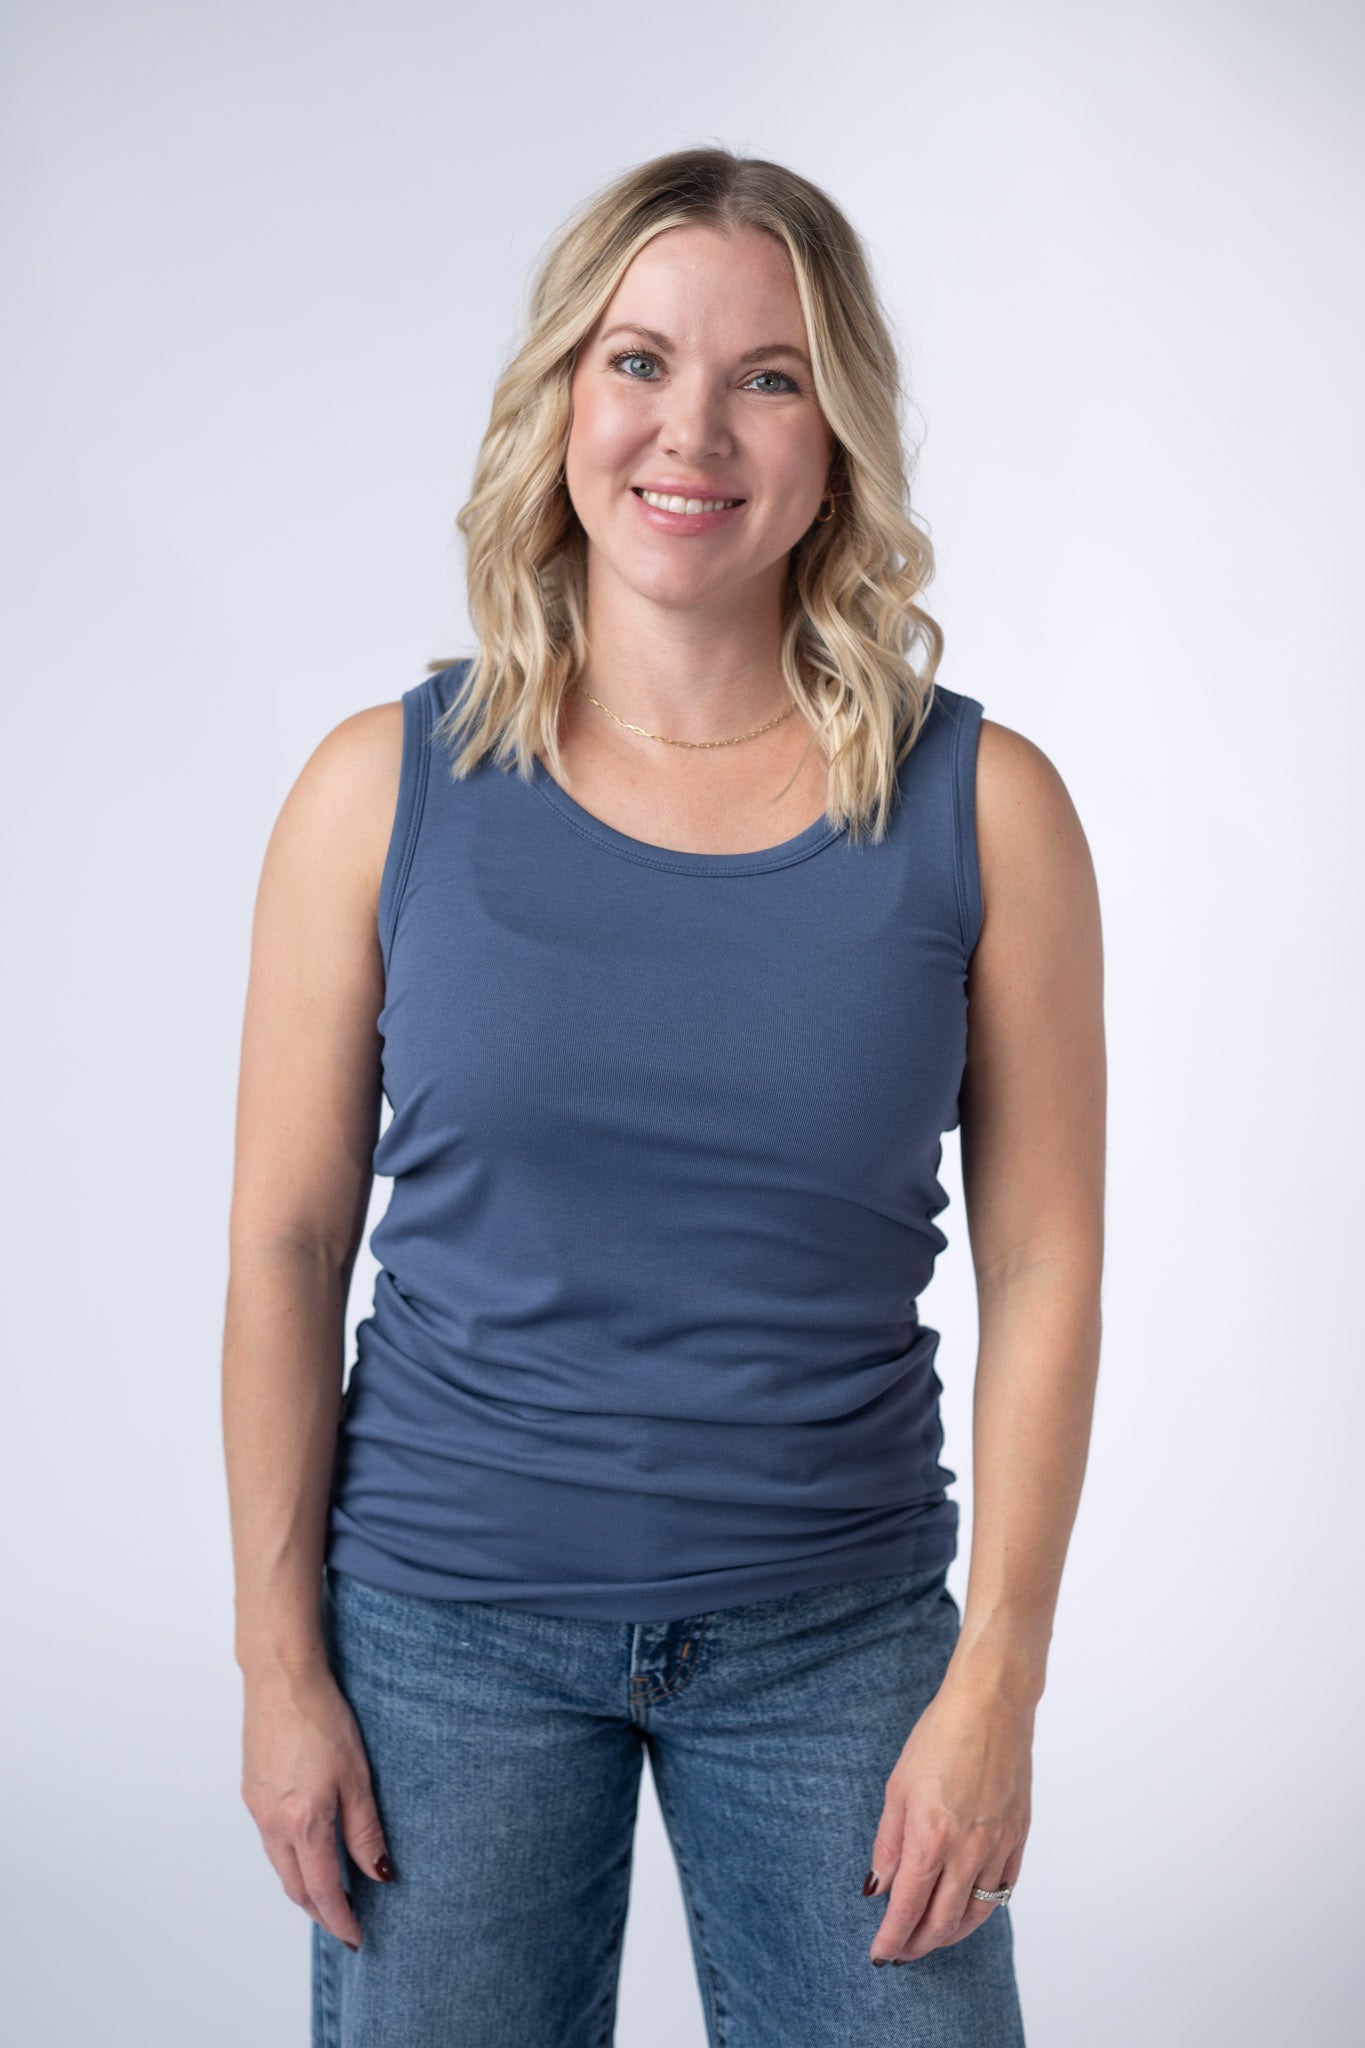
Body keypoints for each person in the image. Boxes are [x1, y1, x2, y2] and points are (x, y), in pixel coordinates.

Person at [222, 146, 1105, 2047]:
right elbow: (288, 1247)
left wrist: (999, 1685)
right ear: (562, 398)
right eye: (638, 361)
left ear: (836, 436)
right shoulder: (378, 792)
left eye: (765, 376)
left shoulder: (986, 811)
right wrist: (277, 1665)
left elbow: (1044, 1267)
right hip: (442, 1635)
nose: (689, 429)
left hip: (838, 1643)